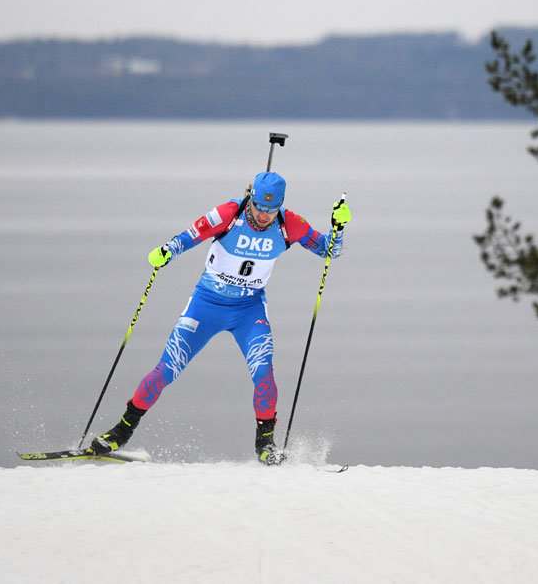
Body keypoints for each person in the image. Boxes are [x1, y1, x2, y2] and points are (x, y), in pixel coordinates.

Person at [89, 171, 351, 465]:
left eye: (271, 210)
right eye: (259, 208)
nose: (263, 216)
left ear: (280, 206)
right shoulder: (229, 213)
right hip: (206, 304)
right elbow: (192, 234)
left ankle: (265, 444)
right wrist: (167, 252)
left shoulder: (290, 224)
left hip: (248, 309)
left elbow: (330, 251)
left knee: (263, 372)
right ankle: (120, 432)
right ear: (250, 196)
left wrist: (338, 227)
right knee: (167, 369)